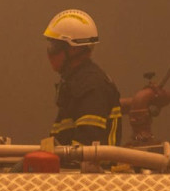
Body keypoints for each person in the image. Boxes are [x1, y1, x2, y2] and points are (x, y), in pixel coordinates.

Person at [43, 9, 122, 147]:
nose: (49, 54)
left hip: (93, 168)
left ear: (74, 49)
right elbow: (59, 142)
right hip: (71, 168)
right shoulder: (73, 84)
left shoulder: (92, 86)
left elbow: (86, 148)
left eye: (53, 47)